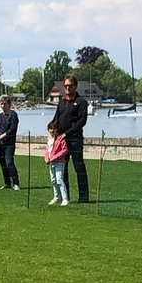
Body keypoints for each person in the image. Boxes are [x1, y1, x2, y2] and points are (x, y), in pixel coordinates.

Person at [51, 74, 89, 202]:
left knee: (79, 167)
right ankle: (64, 196)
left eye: (70, 86)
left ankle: (83, 196)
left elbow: (81, 122)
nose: (67, 88)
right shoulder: (61, 102)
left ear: (75, 86)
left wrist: (67, 133)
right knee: (62, 169)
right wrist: (51, 131)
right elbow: (56, 118)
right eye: (66, 85)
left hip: (75, 140)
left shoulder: (82, 102)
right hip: (62, 141)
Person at [0, 95, 20, 190]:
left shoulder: (13, 115)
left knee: (9, 162)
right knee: (3, 163)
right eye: (1, 104)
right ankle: (7, 183)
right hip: (1, 144)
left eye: (4, 104)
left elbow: (13, 129)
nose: (3, 106)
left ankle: (16, 182)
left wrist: (3, 135)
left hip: (9, 143)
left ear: (9, 104)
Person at [44, 121, 69, 206]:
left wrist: (55, 157)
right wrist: (46, 158)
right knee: (53, 180)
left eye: (53, 129)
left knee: (59, 180)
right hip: (51, 162)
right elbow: (47, 150)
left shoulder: (60, 139)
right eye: (50, 129)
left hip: (59, 162)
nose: (52, 131)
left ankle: (65, 198)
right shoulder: (49, 138)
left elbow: (64, 150)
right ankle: (57, 197)